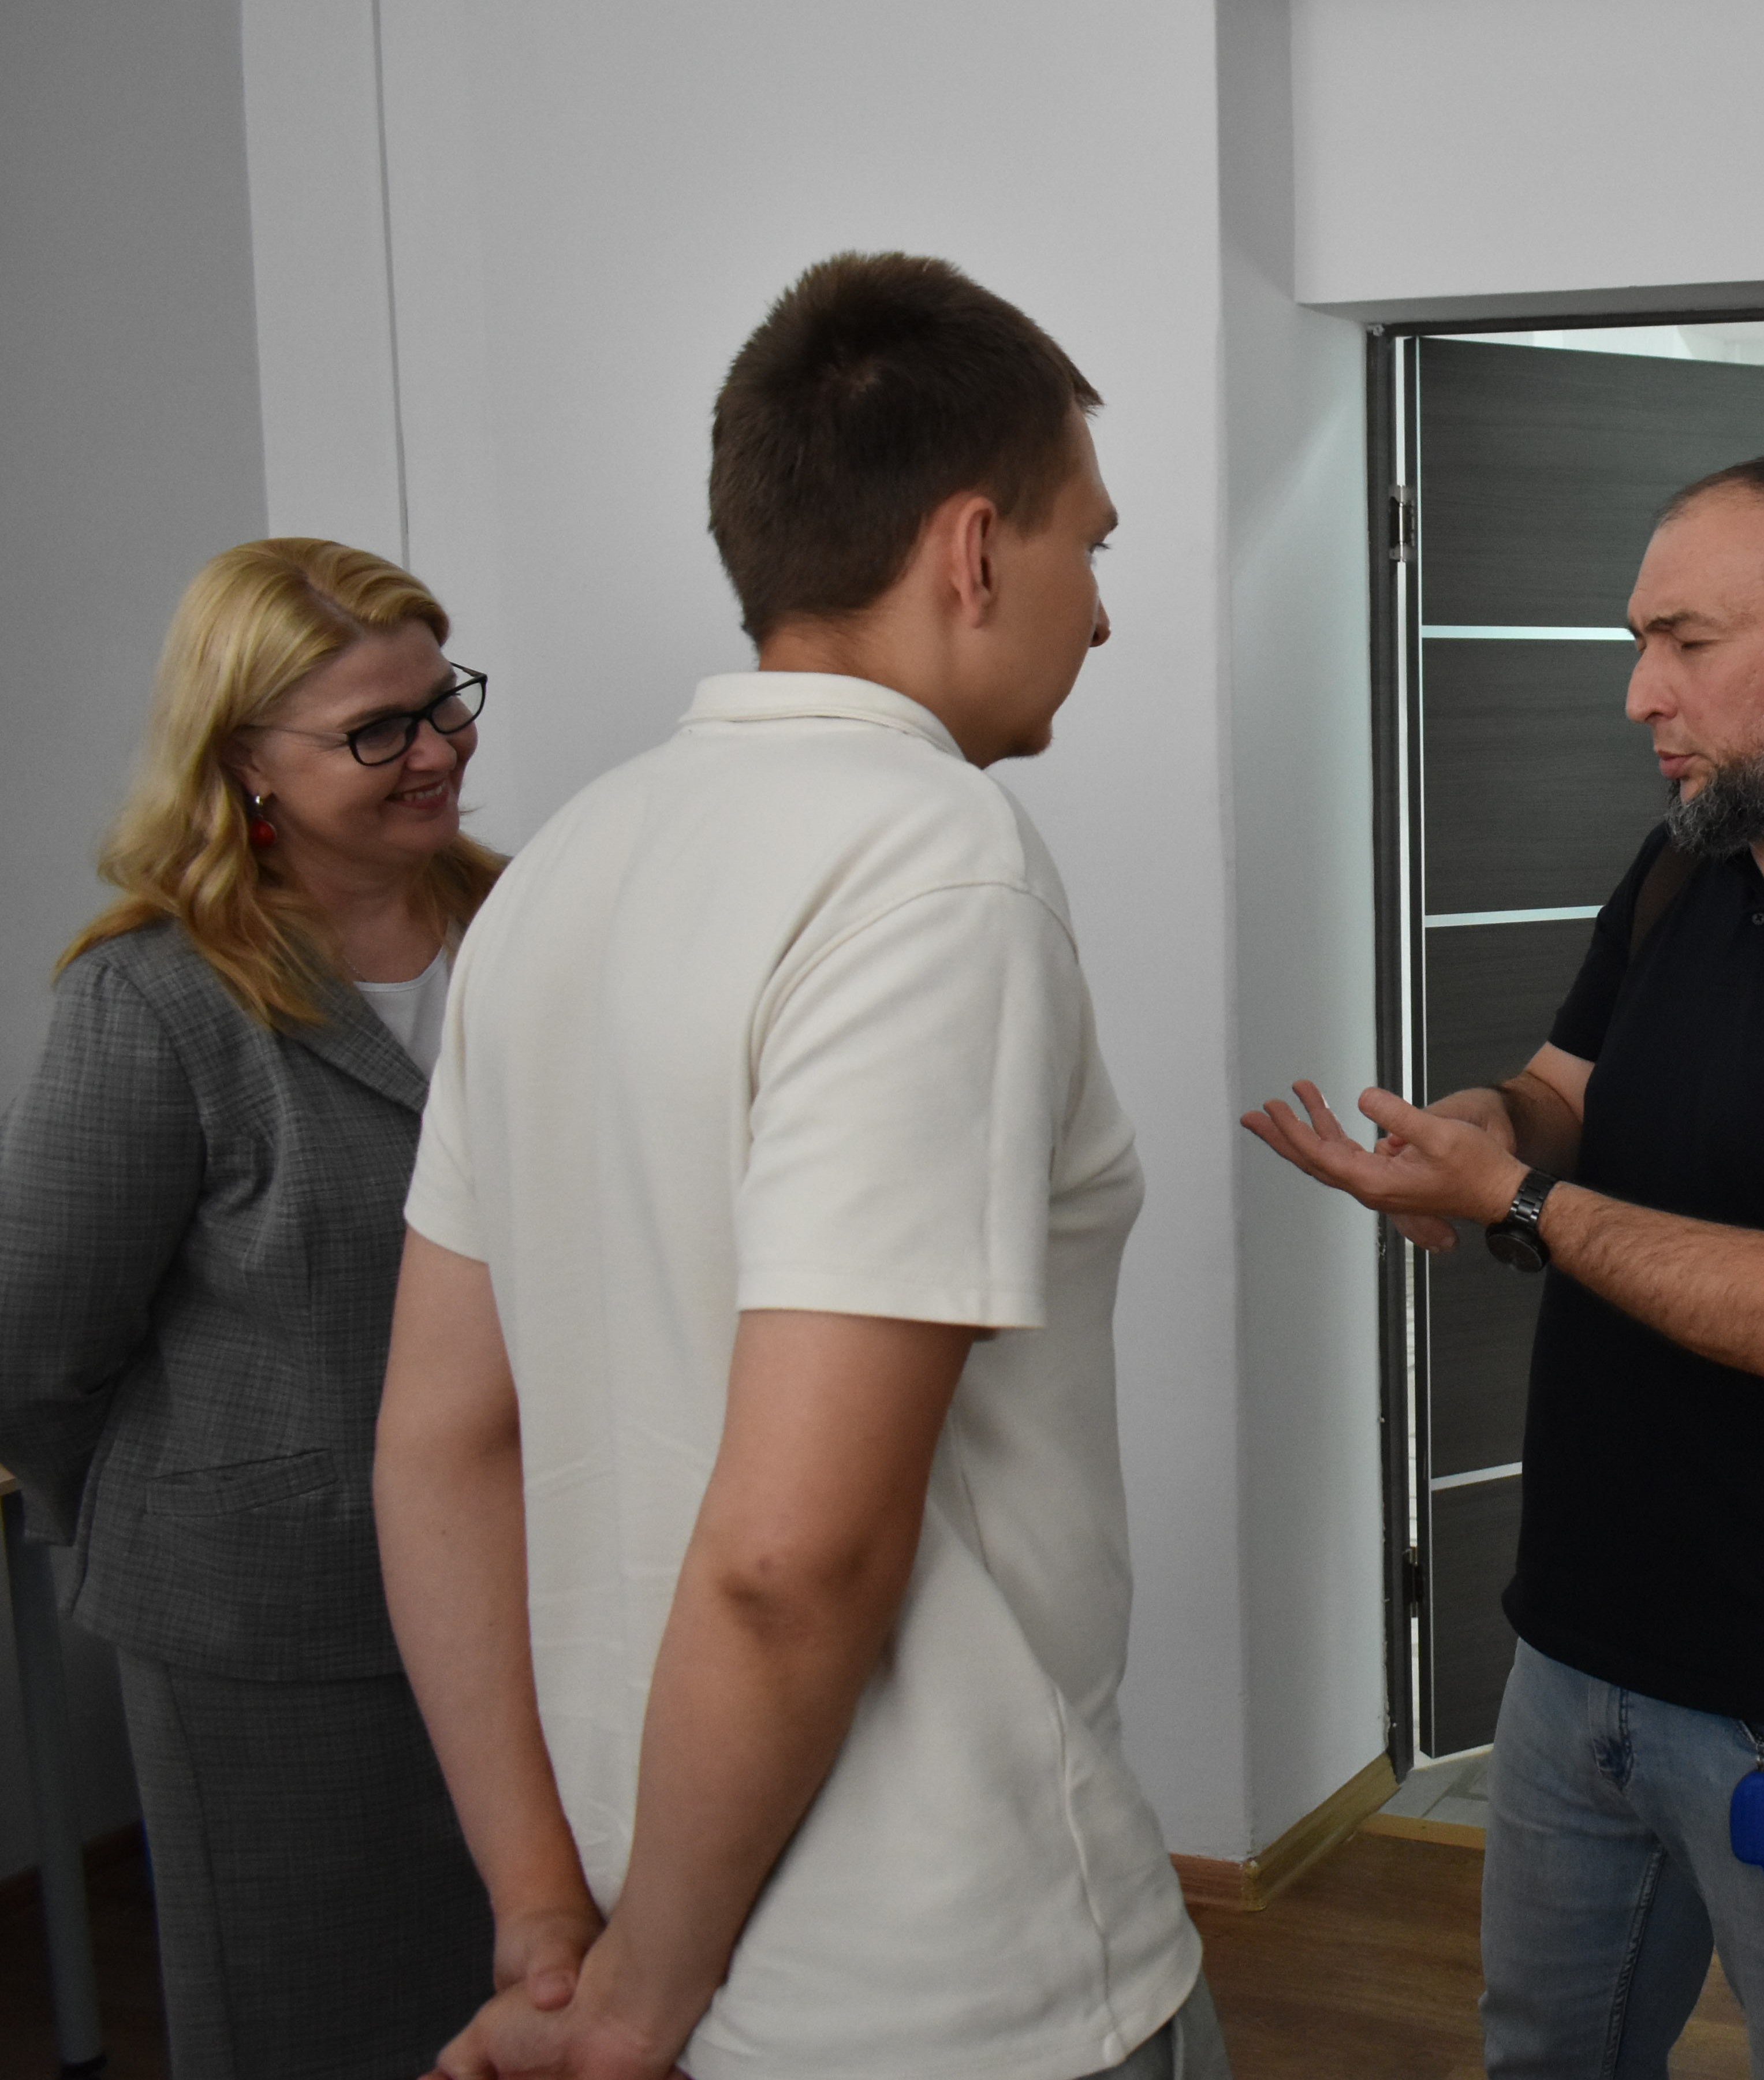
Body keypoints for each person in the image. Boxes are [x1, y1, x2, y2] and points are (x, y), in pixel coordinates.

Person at [373, 251, 1222, 2080]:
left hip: (651, 1922)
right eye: (1090, 544)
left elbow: (440, 1442)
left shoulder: (557, 873)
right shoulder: (934, 866)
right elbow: (790, 1550)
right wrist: (639, 1997)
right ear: (972, 550)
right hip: (948, 1983)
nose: (1099, 613)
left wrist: (553, 1923)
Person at [1247, 453, 1764, 2079]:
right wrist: (1476, 1129)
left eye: (1688, 642)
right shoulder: (1682, 875)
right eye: (1640, 643)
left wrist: (1515, 1204)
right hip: (1581, 1664)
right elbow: (1564, 1092)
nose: (1642, 692)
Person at [0, 538, 501, 2074]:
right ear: (242, 762)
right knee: (309, 2022)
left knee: (517, 2000)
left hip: (524, 1583)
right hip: (273, 1629)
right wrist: (203, 1502)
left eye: (445, 702)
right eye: (376, 730)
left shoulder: (524, 923)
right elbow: (40, 1341)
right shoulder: (155, 995)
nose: (436, 751)